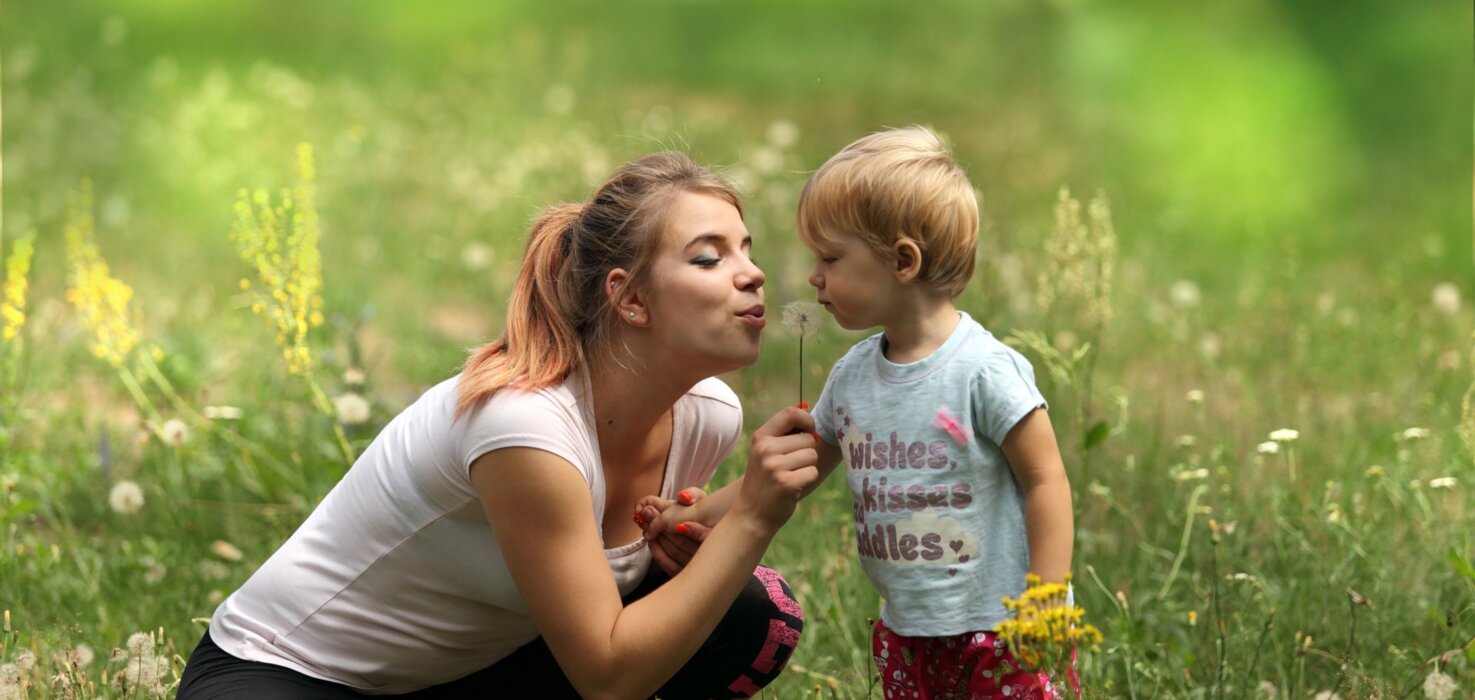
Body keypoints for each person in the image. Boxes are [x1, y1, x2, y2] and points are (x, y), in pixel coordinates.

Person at [178, 152, 821, 699]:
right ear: (629, 299)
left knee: (754, 614)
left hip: (464, 673)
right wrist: (753, 518)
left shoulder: (709, 415)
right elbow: (605, 676)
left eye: (746, 250)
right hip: (291, 677)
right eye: (709, 258)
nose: (754, 273)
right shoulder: (525, 425)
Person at [642, 127, 1074, 698]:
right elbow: (790, 473)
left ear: (901, 260)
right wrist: (694, 514)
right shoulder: (853, 377)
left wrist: (1043, 601)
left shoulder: (983, 371)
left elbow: (1045, 479)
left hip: (1001, 629)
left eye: (830, 257)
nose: (814, 276)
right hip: (908, 630)